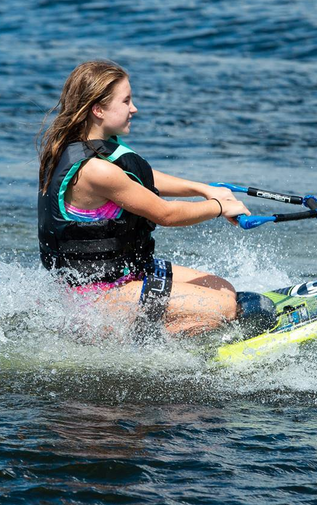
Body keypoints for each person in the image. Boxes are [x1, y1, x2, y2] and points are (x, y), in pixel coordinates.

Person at [38, 60, 276, 338]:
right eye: (126, 101)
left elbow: (144, 180)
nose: (134, 108)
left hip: (125, 273)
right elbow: (165, 214)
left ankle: (164, 328)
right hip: (98, 298)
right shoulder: (95, 170)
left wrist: (204, 189)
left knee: (222, 287)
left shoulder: (93, 149)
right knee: (222, 307)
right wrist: (220, 207)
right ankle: (137, 343)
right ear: (98, 109)